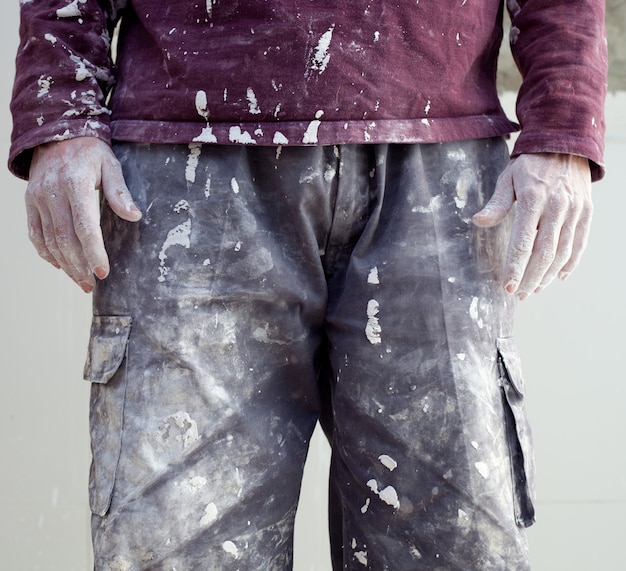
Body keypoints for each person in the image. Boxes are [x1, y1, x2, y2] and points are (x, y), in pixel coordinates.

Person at [9, 0, 606, 569]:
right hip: (188, 163)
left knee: (451, 549)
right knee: (176, 550)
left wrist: (563, 123)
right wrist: (59, 112)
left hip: (436, 163)